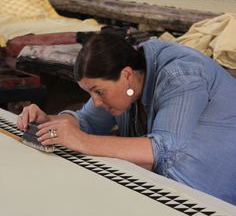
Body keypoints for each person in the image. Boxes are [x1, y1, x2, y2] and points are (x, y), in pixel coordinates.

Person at [17, 33, 236, 205]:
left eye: (98, 92)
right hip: (172, 192)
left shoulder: (183, 76)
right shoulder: (127, 81)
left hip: (215, 201)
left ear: (127, 75)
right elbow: (86, 121)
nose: (96, 102)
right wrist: (49, 122)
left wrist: (81, 140)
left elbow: (164, 150)